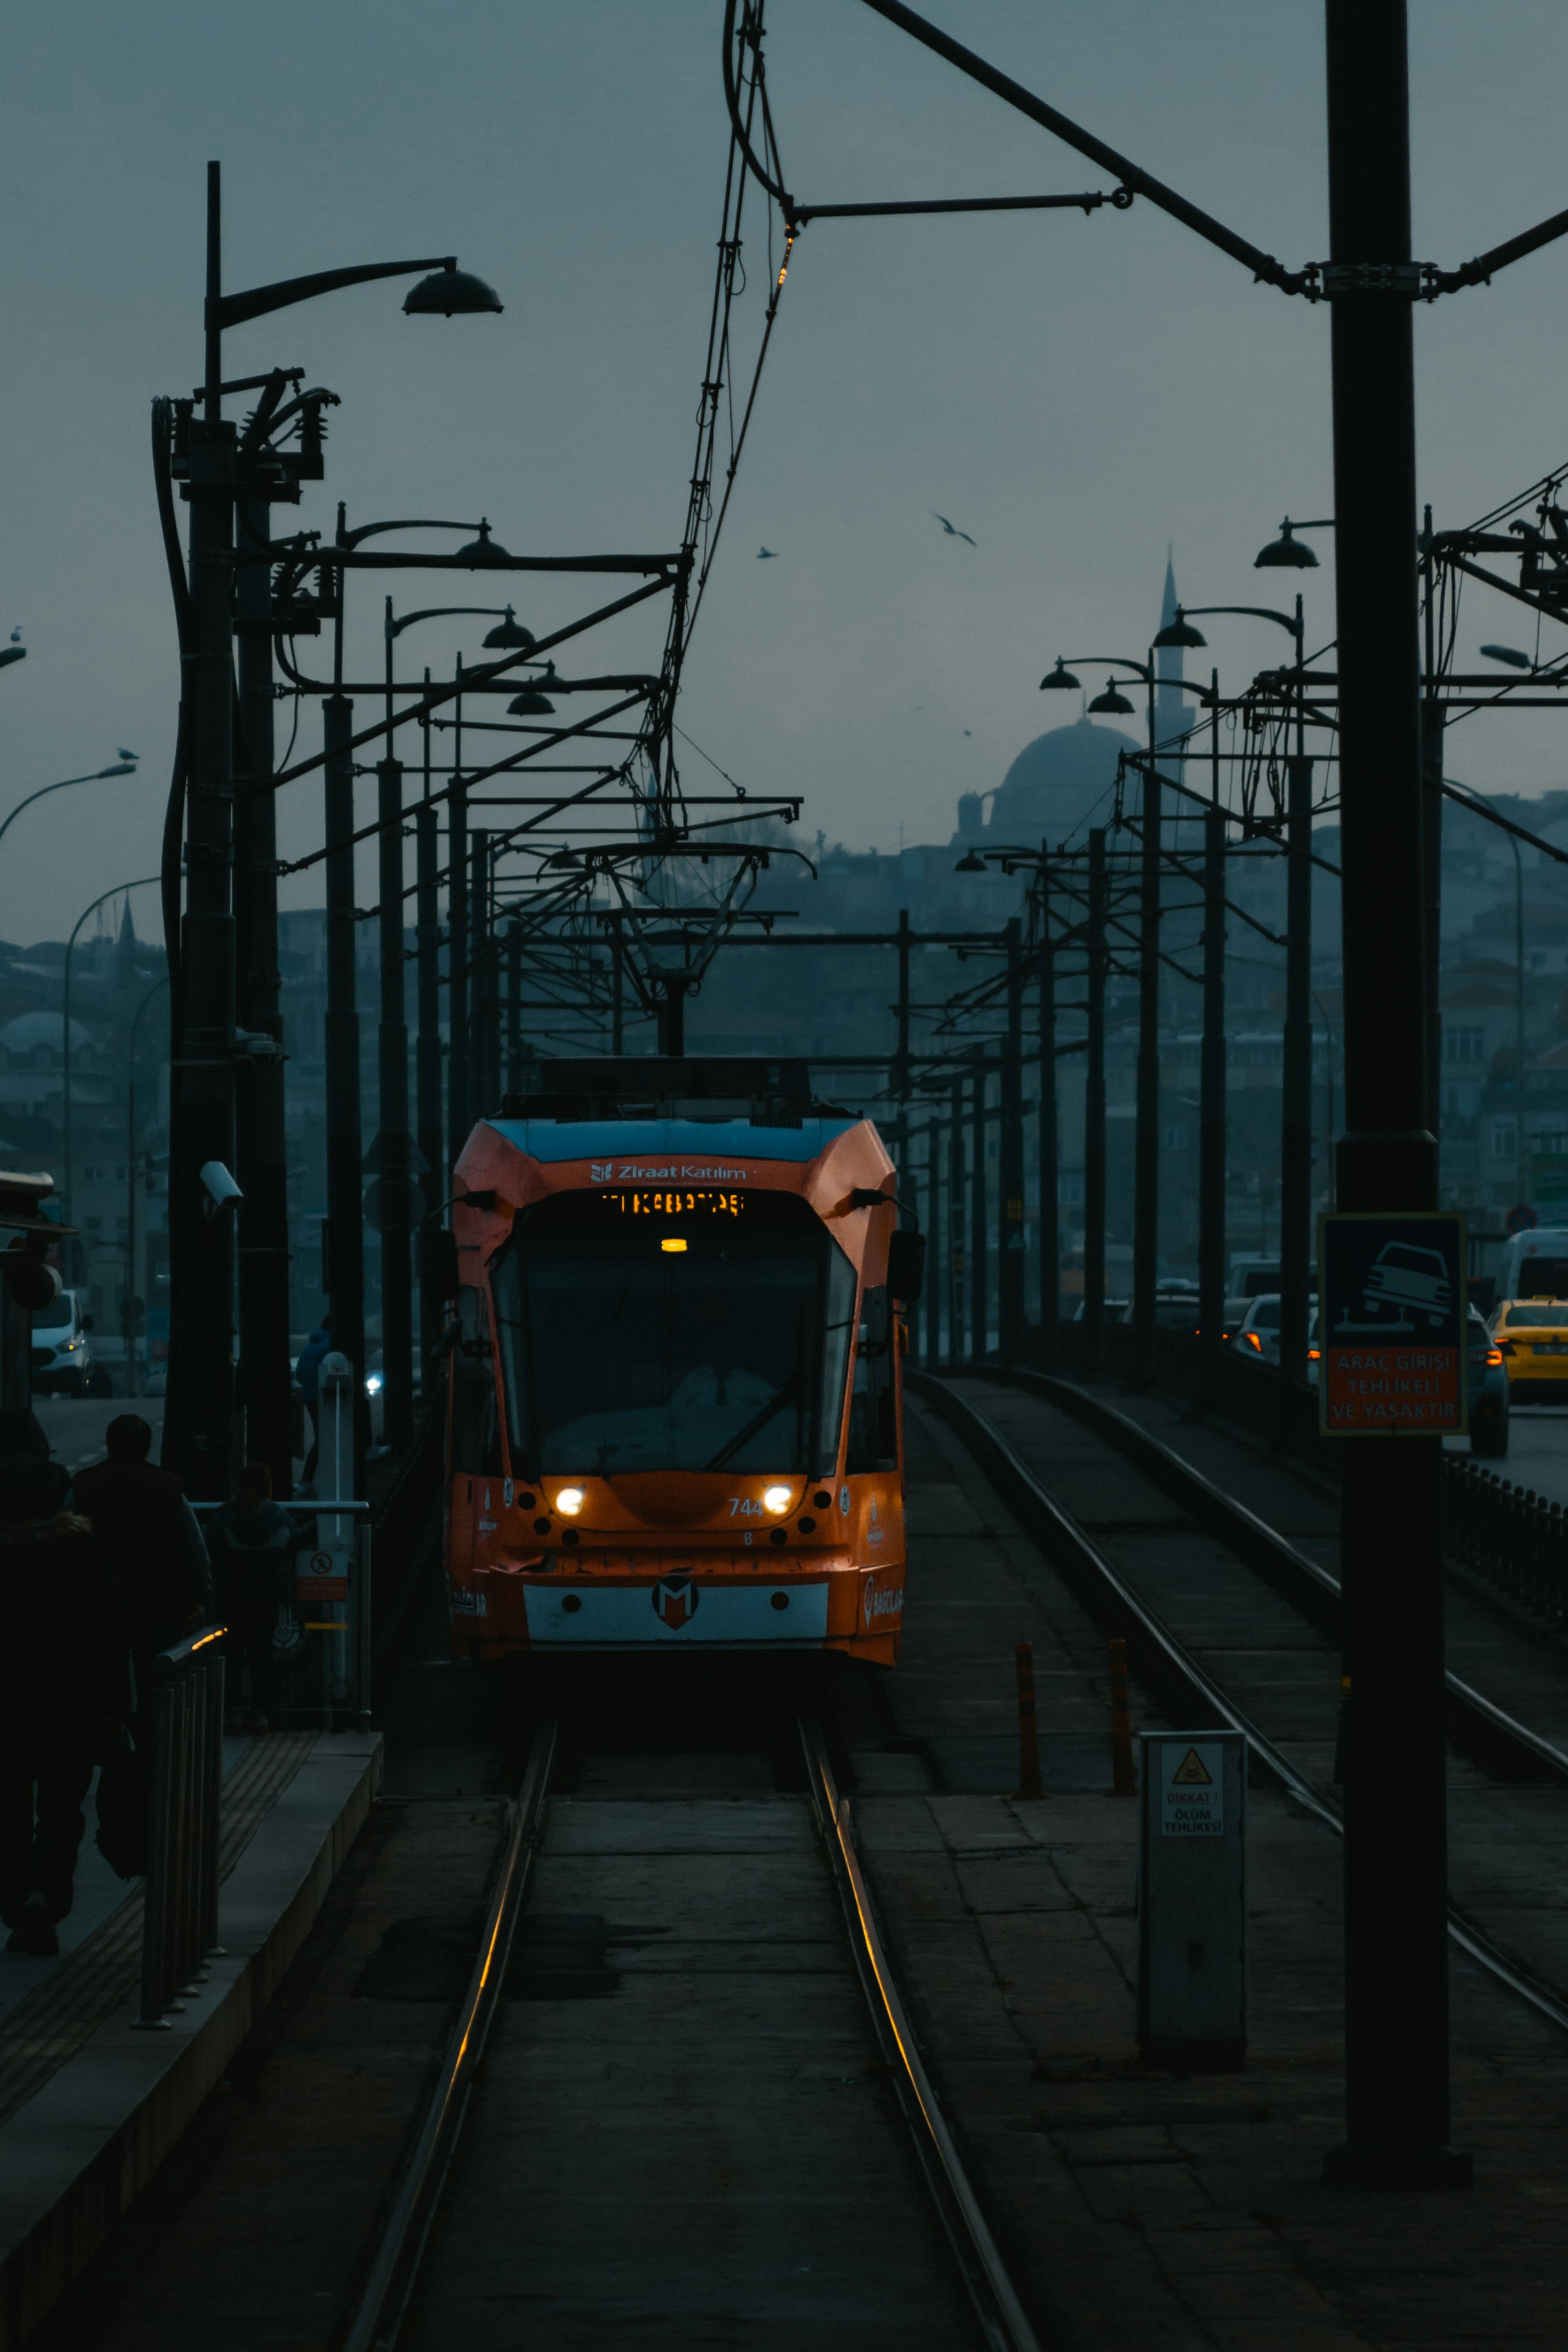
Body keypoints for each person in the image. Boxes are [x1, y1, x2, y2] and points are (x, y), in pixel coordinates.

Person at [0, 1450, 132, 1957]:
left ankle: (15, 1901)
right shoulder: (79, 1548)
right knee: (61, 1811)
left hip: (6, 1709)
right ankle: (44, 1896)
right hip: (71, 1705)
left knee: (6, 1810)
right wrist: (116, 1706)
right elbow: (109, 1628)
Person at [72, 1415, 213, 1745]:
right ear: (148, 1446)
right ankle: (153, 1746)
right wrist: (202, 1597)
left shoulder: (83, 1486)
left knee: (107, 1680)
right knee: (157, 1681)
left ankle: (116, 1743)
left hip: (100, 1606)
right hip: (159, 1603)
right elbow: (196, 1550)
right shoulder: (168, 1487)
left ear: (109, 1445)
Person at [206, 1463, 295, 1731]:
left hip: (231, 1598)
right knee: (263, 1654)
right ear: (269, 1487)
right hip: (267, 1599)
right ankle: (262, 1713)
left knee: (231, 1654)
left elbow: (209, 1556)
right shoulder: (281, 1518)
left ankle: (233, 1711)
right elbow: (292, 1547)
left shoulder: (222, 1519)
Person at [295, 1322, 331, 1489]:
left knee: (320, 1438)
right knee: (327, 1438)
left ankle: (307, 1480)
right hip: (325, 1397)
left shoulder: (309, 1348)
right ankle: (308, 1479)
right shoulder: (331, 1344)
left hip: (310, 1398)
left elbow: (300, 1374)